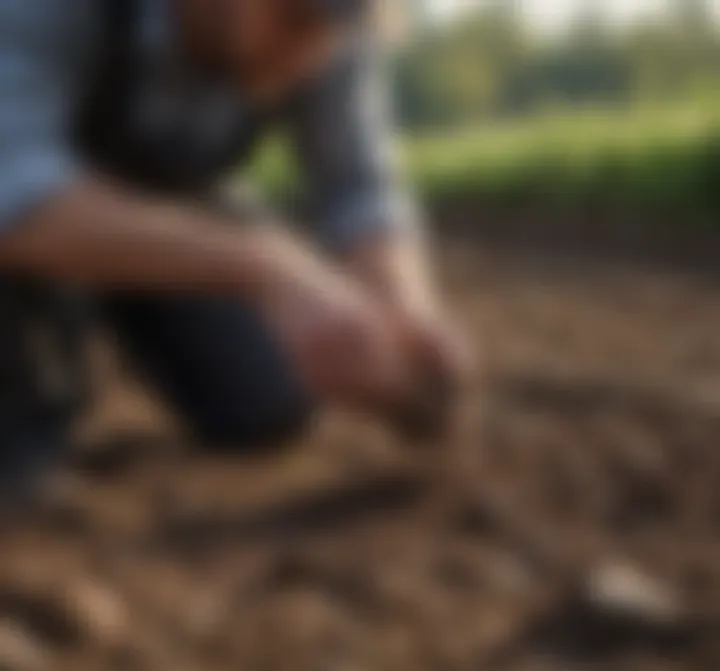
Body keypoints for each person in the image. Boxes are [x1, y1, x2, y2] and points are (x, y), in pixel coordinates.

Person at [0, 0, 468, 494]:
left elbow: (357, 187)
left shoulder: (328, 28)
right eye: (296, 21)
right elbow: (12, 189)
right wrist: (267, 265)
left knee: (271, 392)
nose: (308, 57)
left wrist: (404, 310)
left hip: (164, 201)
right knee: (19, 438)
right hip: (31, 209)